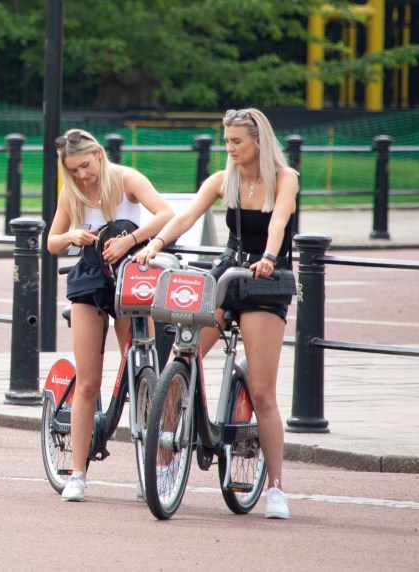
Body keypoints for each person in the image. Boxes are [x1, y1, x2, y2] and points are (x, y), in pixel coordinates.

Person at [134, 108, 298, 519]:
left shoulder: (284, 179)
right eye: (226, 141)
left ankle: (276, 488)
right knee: (179, 359)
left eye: (236, 142)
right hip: (227, 274)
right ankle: (165, 460)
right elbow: (186, 215)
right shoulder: (223, 180)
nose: (230, 149)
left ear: (257, 141)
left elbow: (278, 221)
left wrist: (269, 257)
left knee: (262, 391)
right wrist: (155, 246)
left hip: (265, 278)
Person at [46, 128, 173, 502]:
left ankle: (155, 468)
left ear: (99, 154)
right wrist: (72, 236)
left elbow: (165, 213)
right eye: (73, 170)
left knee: (143, 373)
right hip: (89, 277)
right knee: (88, 382)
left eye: (85, 166)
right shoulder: (71, 192)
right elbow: (51, 242)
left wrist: (131, 241)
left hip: (130, 274)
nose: (82, 175)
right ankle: (78, 472)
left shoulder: (126, 179)